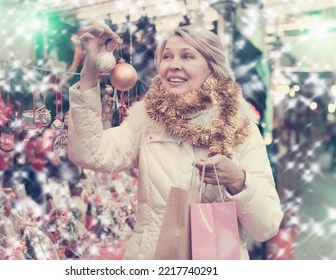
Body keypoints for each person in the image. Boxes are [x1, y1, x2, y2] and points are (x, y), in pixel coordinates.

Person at [67, 23, 283, 260]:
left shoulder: (240, 129)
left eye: (188, 56)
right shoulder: (147, 120)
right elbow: (89, 153)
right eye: (167, 56)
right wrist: (89, 72)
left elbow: (266, 227)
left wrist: (238, 181)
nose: (174, 65)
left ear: (212, 67)